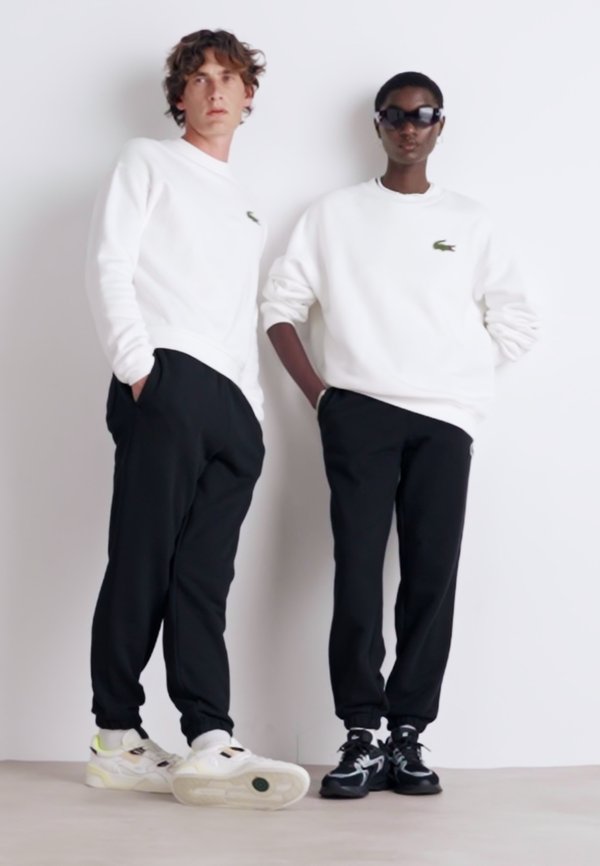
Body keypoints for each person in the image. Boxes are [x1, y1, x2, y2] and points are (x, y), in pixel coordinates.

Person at [262, 71, 538, 799]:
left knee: (430, 577)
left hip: (445, 422)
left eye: (423, 115)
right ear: (377, 125)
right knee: (356, 572)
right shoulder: (334, 215)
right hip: (359, 414)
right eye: (395, 115)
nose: (409, 127)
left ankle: (408, 734)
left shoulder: (471, 221)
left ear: (441, 125)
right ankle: (360, 732)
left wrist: (455, 377)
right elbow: (280, 307)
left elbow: (517, 321)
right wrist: (324, 398)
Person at [85, 28, 309, 810]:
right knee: (142, 559)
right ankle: (116, 736)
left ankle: (210, 737)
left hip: (233, 408)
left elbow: (235, 311)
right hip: (169, 380)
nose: (216, 90)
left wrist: (253, 414)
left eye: (230, 77)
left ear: (249, 96)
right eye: (200, 77)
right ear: (179, 95)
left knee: (204, 580)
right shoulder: (146, 161)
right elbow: (109, 263)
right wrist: (139, 368)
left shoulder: (247, 205)